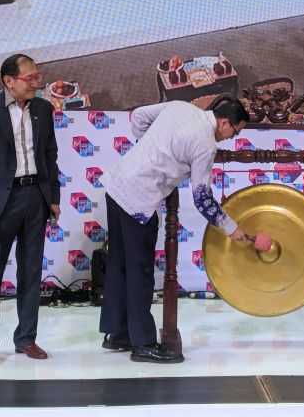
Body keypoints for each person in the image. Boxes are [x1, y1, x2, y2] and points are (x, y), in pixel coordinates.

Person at [101, 99, 254, 364]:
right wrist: (232, 229)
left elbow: (138, 116)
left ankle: (119, 333)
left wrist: (152, 149)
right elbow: (202, 198)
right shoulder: (206, 145)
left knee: (119, 265)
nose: (231, 138)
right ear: (224, 122)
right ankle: (143, 344)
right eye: (235, 132)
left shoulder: (180, 107)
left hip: (117, 186)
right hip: (138, 200)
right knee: (139, 272)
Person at [0, 54, 61, 366]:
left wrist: (53, 197)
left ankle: (26, 338)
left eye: (38, 76)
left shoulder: (43, 109)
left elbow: (50, 155)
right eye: (30, 78)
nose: (37, 83)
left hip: (36, 198)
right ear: (9, 81)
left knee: (31, 271)